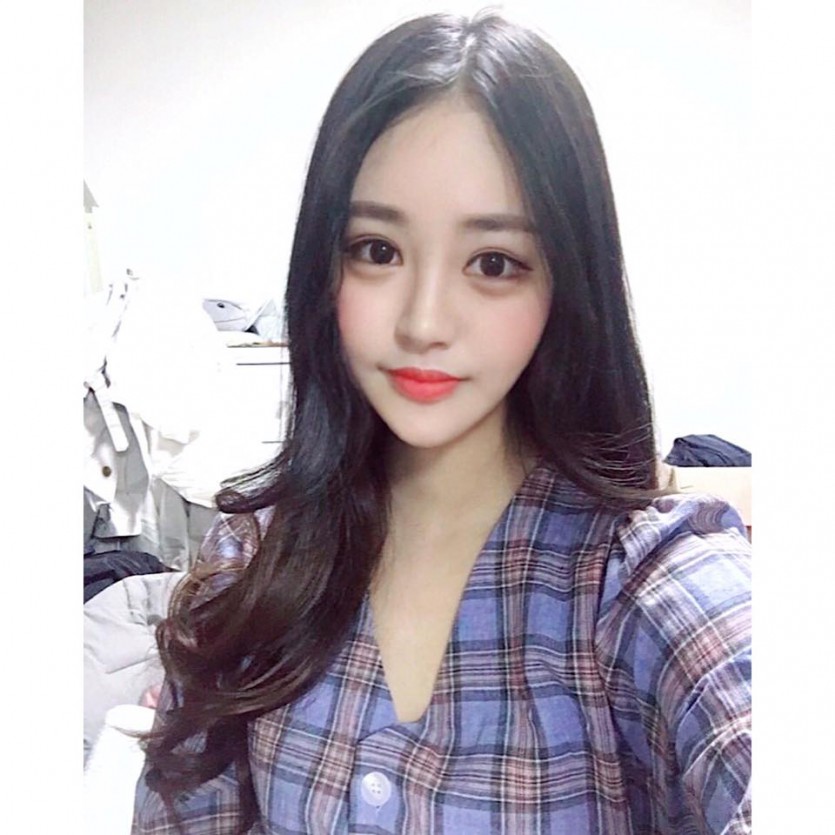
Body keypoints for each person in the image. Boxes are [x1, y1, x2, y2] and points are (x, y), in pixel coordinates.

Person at [133, 11, 751, 834]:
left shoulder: (643, 582)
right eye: (377, 250)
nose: (423, 321)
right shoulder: (252, 561)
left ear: (565, 281)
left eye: (492, 263)